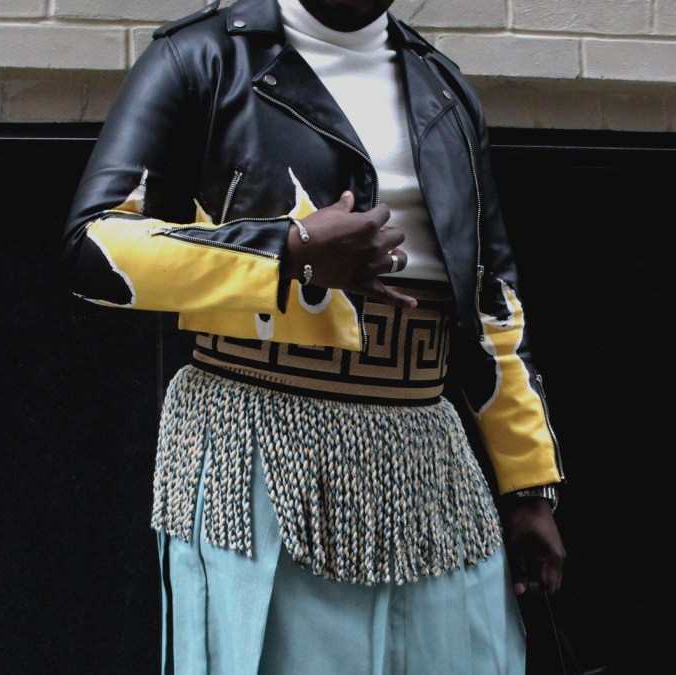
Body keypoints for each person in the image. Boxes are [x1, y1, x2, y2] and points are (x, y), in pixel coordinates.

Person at [63, 0, 566, 671]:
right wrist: (287, 250)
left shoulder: (441, 88)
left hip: (429, 459)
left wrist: (527, 487)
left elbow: (493, 301)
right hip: (259, 446)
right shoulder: (203, 58)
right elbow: (92, 245)